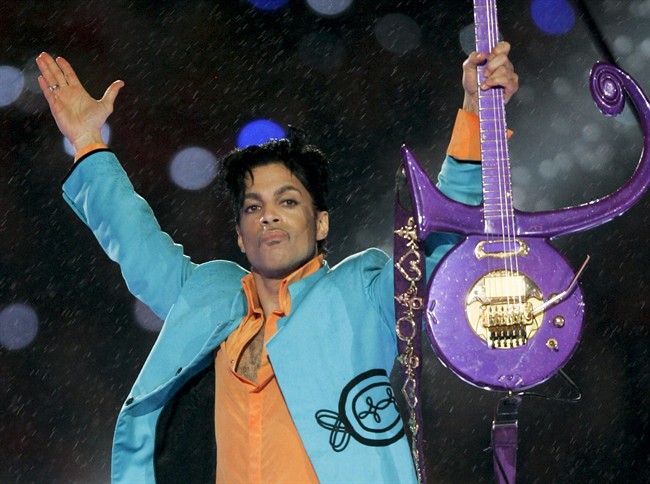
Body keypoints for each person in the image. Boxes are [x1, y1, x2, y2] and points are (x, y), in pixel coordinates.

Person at [36, 42, 518, 483]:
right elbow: (135, 240)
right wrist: (87, 142)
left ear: (321, 223)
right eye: (253, 206)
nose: (268, 216)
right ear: (240, 237)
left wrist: (476, 116)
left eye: (287, 201)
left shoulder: (361, 291)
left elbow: (440, 249)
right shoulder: (209, 295)